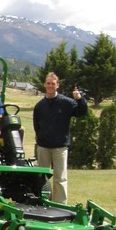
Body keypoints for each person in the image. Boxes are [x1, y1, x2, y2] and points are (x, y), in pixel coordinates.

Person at [33, 72, 87, 203]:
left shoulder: (66, 103)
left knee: (60, 179)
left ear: (57, 85)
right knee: (41, 178)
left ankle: (60, 205)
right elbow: (36, 126)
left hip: (60, 147)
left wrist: (80, 100)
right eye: (48, 83)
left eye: (53, 83)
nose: (50, 85)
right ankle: (40, 202)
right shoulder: (39, 106)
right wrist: (40, 140)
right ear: (45, 85)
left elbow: (81, 112)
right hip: (43, 147)